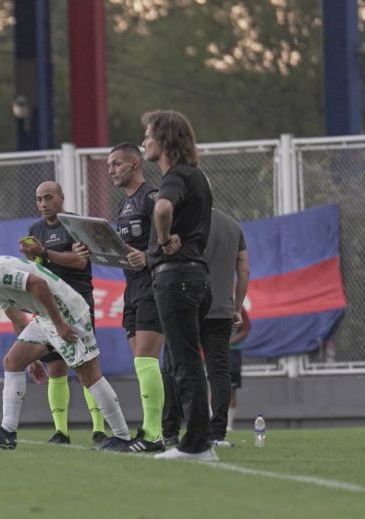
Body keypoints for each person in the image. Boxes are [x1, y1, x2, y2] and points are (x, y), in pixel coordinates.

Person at [0, 249, 130, 449]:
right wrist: (32, 357)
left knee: (89, 376)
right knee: (13, 361)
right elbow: (17, 318)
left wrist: (60, 324)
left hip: (67, 313)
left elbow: (39, 284)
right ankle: (7, 431)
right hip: (47, 317)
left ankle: (122, 436)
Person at [75, 142, 166, 453]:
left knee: (146, 360)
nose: (111, 170)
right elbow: (122, 254)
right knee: (142, 364)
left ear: (135, 164)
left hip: (154, 285)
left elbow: (173, 240)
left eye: (116, 164)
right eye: (109, 164)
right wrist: (90, 250)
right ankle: (155, 428)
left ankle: (154, 435)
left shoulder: (152, 198)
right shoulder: (124, 205)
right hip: (133, 288)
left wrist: (150, 257)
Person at [142, 110, 216, 461]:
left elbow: (162, 208)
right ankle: (202, 441)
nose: (144, 141)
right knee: (185, 361)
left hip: (177, 277)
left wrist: (164, 237)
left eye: (148, 134)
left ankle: (197, 444)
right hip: (195, 276)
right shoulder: (197, 176)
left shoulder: (175, 176)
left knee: (184, 363)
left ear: (166, 140)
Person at [18, 181, 108, 447]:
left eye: (48, 198)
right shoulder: (34, 230)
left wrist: (44, 252)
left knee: (86, 366)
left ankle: (99, 430)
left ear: (61, 198)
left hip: (78, 303)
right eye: (39, 199)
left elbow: (80, 261)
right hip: (49, 306)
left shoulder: (75, 224)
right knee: (55, 367)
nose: (43, 204)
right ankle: (61, 432)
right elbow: (37, 269)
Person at [161, 208, 250, 449]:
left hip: (188, 305)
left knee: (174, 365)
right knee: (219, 370)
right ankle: (218, 432)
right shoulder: (233, 226)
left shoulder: (185, 219)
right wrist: (237, 307)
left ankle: (171, 430)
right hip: (221, 308)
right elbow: (243, 270)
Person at [227, 308, 250, 432]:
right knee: (213, 388)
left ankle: (229, 425)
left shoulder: (238, 307)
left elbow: (245, 329)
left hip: (232, 353)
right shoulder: (208, 302)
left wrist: (229, 342)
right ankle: (214, 423)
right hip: (214, 351)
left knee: (231, 390)